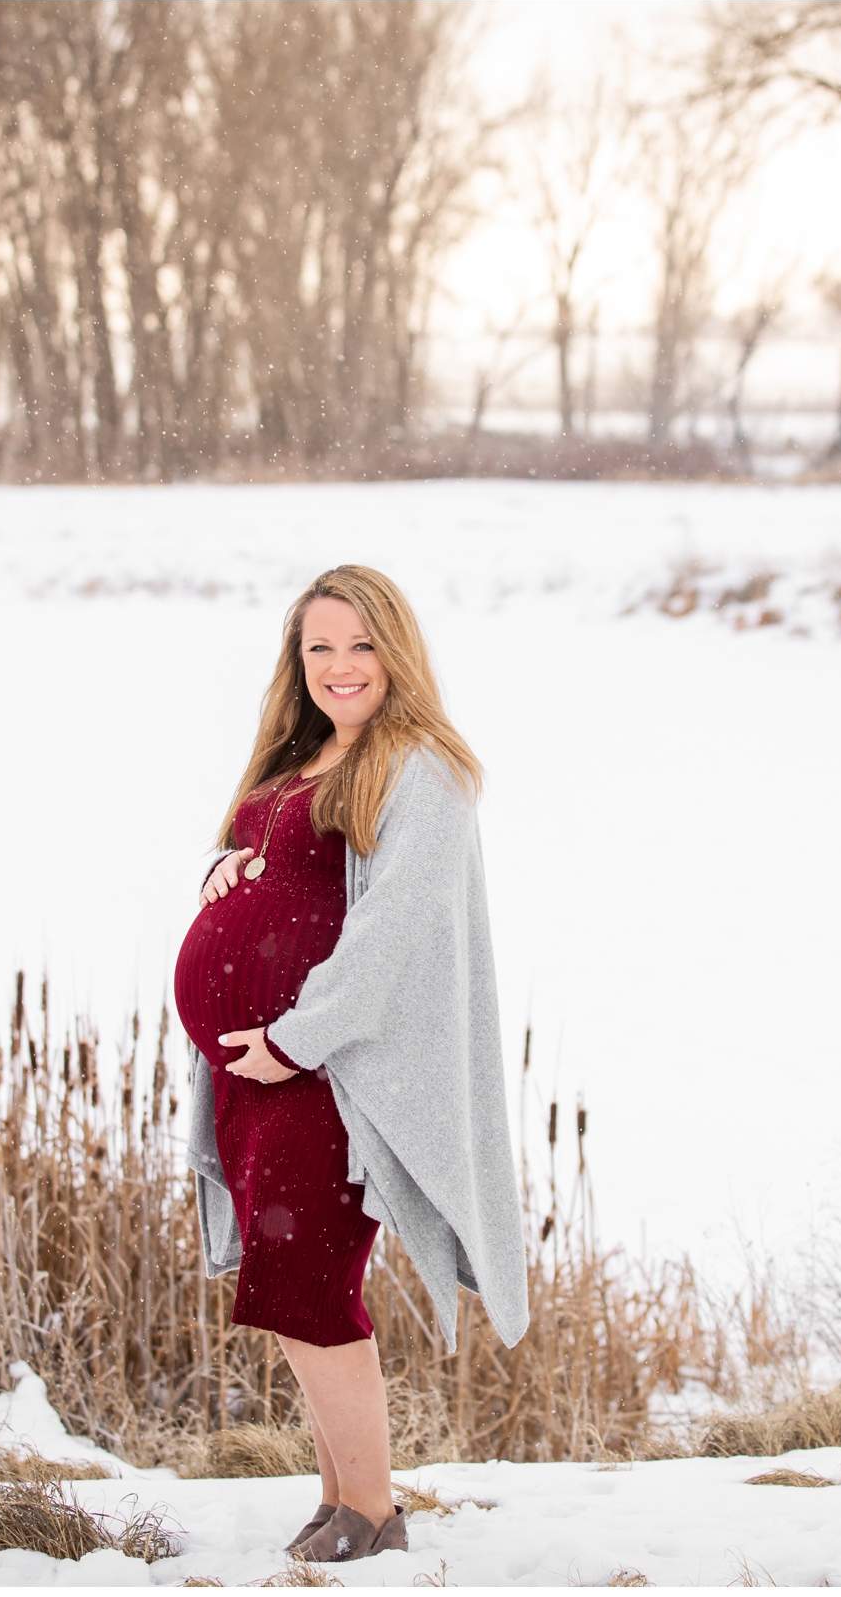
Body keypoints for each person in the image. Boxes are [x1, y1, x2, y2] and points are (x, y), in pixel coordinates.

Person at [174, 565, 529, 1565]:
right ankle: (338, 1497)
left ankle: (372, 1510)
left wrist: (293, 1041)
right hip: (256, 1069)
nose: (340, 666)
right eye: (320, 646)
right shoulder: (301, 756)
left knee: (313, 1286)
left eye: (361, 644)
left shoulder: (423, 767)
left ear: (396, 652)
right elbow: (275, 866)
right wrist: (223, 866)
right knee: (290, 1287)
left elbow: (391, 934)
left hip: (331, 1075)